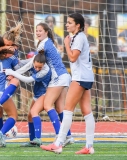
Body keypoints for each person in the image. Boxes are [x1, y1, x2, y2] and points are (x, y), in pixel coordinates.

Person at [40, 13, 95, 154]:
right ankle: (89, 146)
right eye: (67, 22)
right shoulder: (79, 37)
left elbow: (72, 57)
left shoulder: (78, 38)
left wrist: (65, 44)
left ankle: (58, 144)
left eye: (70, 23)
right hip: (86, 77)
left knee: (67, 110)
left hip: (80, 77)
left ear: (78, 25)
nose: (67, 25)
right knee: (87, 112)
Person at [17, 22, 74, 146]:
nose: (38, 33)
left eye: (40, 31)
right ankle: (68, 136)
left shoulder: (43, 44)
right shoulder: (48, 43)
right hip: (64, 75)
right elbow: (33, 61)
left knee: (48, 106)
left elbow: (32, 63)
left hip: (58, 77)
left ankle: (60, 136)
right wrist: (21, 63)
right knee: (59, 108)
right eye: (36, 31)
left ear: (46, 32)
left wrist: (15, 70)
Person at [5, 50, 52, 147]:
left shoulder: (45, 70)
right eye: (36, 67)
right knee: (30, 116)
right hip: (37, 94)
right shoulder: (32, 62)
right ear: (33, 62)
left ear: (44, 64)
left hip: (45, 93)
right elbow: (23, 69)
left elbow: (28, 80)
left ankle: (38, 138)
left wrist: (12, 72)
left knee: (34, 112)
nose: (38, 69)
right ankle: (33, 141)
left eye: (40, 67)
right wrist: (12, 74)